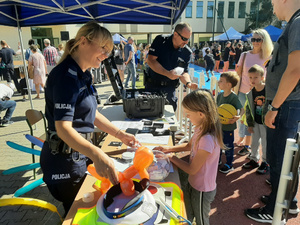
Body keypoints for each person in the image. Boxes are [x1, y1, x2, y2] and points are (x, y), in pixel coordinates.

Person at [40, 21, 139, 215]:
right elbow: (63, 129)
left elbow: (91, 114)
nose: (106, 55)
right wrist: (97, 154)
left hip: (79, 156)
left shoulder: (83, 75)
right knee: (79, 214)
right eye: (103, 48)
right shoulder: (65, 78)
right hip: (65, 163)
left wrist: (120, 134)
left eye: (109, 51)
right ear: (83, 42)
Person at [245, 0, 300, 223]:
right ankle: (286, 202)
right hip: (286, 103)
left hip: (285, 104)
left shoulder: (297, 22)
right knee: (282, 157)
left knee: (279, 158)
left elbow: (295, 70)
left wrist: (274, 107)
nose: (272, 4)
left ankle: (276, 210)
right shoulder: (293, 23)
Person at [154, 89, 224, 225]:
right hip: (194, 183)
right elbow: (188, 146)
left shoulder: (207, 139)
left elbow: (192, 169)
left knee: (202, 220)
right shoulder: (200, 128)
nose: (187, 117)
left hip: (202, 189)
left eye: (188, 114)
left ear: (201, 114)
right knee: (188, 213)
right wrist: (169, 148)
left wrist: (172, 157)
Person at [235, 29, 273, 156]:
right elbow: (238, 73)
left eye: (258, 39)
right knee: (244, 118)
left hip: (259, 94)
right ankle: (244, 141)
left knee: (254, 119)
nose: (255, 42)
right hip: (243, 91)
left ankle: (248, 145)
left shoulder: (268, 57)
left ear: (264, 41)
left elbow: (269, 76)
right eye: (253, 39)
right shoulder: (244, 55)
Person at [145, 22, 198, 111]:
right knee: (149, 114)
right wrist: (167, 73)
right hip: (152, 86)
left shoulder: (187, 52)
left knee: (169, 119)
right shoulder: (161, 40)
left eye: (188, 39)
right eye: (184, 38)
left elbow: (184, 72)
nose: (186, 42)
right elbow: (150, 60)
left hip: (169, 89)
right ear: (175, 34)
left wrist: (188, 83)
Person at [242, 65, 269, 174]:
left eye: (255, 77)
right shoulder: (250, 93)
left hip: (265, 122)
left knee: (265, 142)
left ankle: (266, 162)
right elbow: (248, 109)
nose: (252, 80)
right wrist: (250, 124)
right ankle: (254, 159)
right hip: (256, 122)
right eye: (250, 77)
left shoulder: (268, 91)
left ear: (262, 77)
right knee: (254, 142)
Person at [217, 71, 244, 173]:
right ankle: (218, 160)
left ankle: (229, 164)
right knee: (218, 144)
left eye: (221, 81)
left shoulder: (233, 97)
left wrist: (238, 116)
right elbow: (217, 109)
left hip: (228, 127)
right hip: (219, 126)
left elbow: (242, 109)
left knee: (228, 146)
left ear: (228, 85)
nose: (219, 82)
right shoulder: (220, 95)